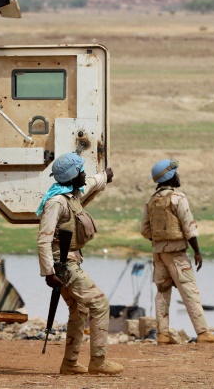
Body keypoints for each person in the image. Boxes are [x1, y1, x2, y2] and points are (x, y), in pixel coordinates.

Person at [36, 153, 123, 376]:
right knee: (99, 304)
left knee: (79, 309)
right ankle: (98, 361)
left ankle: (70, 363)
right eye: (81, 171)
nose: (84, 174)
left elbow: (91, 183)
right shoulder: (57, 202)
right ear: (72, 175)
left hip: (70, 263)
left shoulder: (71, 196)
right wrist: (49, 273)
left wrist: (104, 177)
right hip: (64, 265)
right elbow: (44, 239)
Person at [140, 159, 214, 344]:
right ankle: (203, 332)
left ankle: (162, 334)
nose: (178, 176)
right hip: (177, 253)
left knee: (162, 292)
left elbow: (145, 230)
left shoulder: (151, 200)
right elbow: (189, 228)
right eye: (176, 173)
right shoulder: (178, 198)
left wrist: (160, 241)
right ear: (171, 176)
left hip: (158, 252)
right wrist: (197, 252)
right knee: (189, 291)